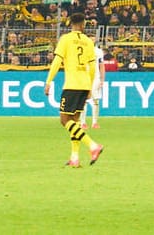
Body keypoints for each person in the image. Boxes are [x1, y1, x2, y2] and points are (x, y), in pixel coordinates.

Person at [45, 13, 104, 167]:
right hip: (84, 84)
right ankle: (75, 158)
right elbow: (93, 67)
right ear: (83, 23)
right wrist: (90, 86)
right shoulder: (87, 41)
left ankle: (93, 145)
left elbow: (57, 61)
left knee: (65, 120)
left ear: (70, 23)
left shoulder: (65, 39)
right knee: (75, 122)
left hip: (72, 84)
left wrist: (49, 81)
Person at [84, 43, 107, 129]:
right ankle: (83, 122)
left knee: (95, 99)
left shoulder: (98, 51)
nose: (92, 40)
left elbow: (101, 65)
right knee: (84, 100)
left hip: (95, 77)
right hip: (84, 77)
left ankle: (94, 122)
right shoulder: (82, 49)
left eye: (93, 38)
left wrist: (102, 79)